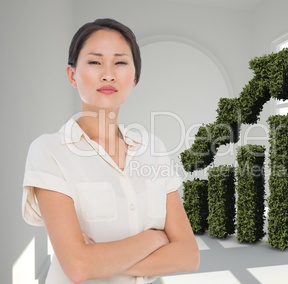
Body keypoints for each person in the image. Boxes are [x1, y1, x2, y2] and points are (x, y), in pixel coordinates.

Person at [22, 18, 199, 284]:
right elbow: (79, 267)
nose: (108, 74)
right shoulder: (49, 151)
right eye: (94, 62)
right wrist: (156, 237)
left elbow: (188, 255)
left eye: (120, 62)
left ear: (135, 77)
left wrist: (98, 259)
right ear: (72, 75)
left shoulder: (153, 148)